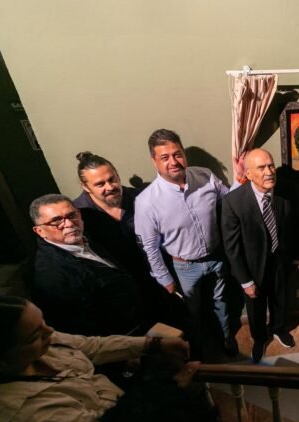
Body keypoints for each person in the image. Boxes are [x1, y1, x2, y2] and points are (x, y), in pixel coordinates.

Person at [0, 295, 194, 422]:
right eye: (36, 335)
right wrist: (169, 390)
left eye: (43, 321)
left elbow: (89, 346)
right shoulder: (23, 420)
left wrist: (151, 344)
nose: (51, 331)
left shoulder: (31, 345)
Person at [134, 129, 236, 356]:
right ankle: (199, 349)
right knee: (192, 311)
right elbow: (150, 247)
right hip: (184, 267)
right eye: (165, 157)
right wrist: (164, 278)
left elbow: (230, 201)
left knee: (222, 301)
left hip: (216, 257)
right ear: (154, 161)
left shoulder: (206, 176)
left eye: (177, 154)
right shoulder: (146, 202)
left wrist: (240, 177)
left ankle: (227, 339)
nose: (173, 161)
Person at [73, 151, 187, 331]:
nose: (110, 187)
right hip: (123, 291)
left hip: (159, 278)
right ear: (85, 187)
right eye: (100, 184)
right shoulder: (79, 215)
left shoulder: (140, 198)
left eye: (112, 179)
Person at [221, 149, 299, 363]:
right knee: (256, 307)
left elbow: (294, 228)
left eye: (271, 165)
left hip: (280, 261)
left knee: (280, 299)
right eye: (261, 167)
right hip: (252, 267)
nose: (269, 172)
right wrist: (245, 280)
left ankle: (278, 328)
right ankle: (259, 338)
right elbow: (232, 247)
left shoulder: (286, 192)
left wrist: (295, 256)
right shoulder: (233, 202)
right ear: (248, 174)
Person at [30, 194, 142, 336]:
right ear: (40, 231)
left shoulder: (90, 236)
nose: (69, 224)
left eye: (72, 215)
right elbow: (81, 328)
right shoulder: (52, 276)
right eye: (56, 221)